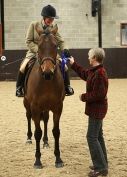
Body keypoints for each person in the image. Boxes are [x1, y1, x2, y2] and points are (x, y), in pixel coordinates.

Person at [16, 4, 74, 97]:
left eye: (52, 19)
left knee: (65, 67)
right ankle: (19, 88)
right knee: (23, 66)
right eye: (49, 19)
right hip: (35, 51)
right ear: (44, 17)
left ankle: (67, 87)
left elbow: (61, 41)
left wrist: (65, 49)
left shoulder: (53, 27)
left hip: (50, 53)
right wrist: (38, 50)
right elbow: (28, 41)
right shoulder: (34, 25)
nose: (51, 21)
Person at [69, 48, 108, 177]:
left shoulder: (100, 74)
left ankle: (100, 168)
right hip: (96, 109)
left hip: (97, 109)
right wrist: (73, 64)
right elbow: (84, 73)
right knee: (98, 136)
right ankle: (103, 163)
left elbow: (99, 94)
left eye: (89, 56)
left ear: (94, 58)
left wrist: (83, 97)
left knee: (91, 137)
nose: (88, 58)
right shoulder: (95, 71)